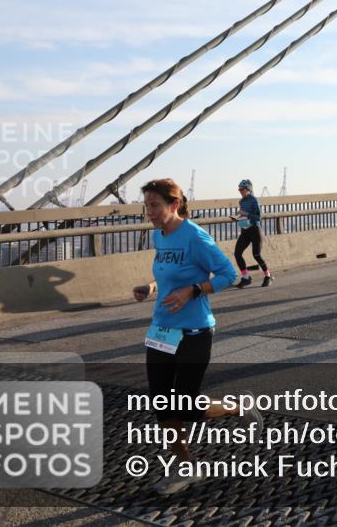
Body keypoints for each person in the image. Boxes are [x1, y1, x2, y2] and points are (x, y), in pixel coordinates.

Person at [132, 179, 261, 495]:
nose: (149, 212)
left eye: (155, 205)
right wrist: (151, 287)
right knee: (163, 405)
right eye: (146, 205)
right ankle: (186, 467)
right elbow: (168, 273)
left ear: (174, 204)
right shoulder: (159, 236)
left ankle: (238, 407)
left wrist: (193, 290)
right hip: (162, 330)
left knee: (186, 405)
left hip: (194, 332)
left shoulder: (195, 236)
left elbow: (229, 274)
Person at [233, 179, 272, 288]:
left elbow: (258, 217)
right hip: (245, 230)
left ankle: (268, 276)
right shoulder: (241, 202)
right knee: (237, 253)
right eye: (239, 189)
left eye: (242, 189)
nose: (240, 191)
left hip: (255, 230)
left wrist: (245, 213)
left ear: (248, 189)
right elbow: (244, 215)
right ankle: (246, 278)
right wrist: (237, 217)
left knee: (256, 255)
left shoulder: (254, 200)